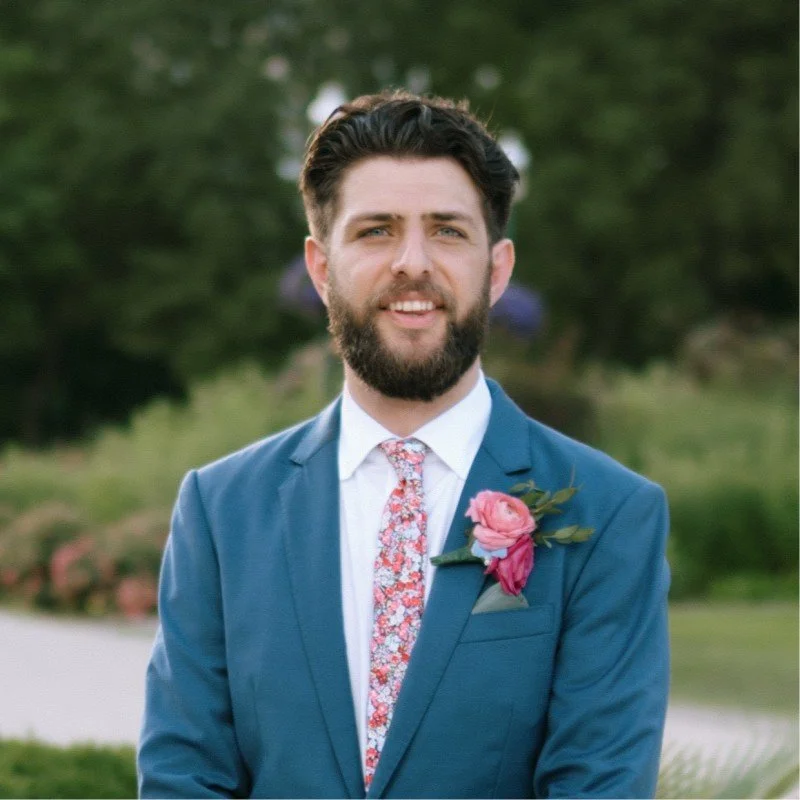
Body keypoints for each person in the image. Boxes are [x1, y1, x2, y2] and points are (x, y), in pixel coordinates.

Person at [138, 90, 670, 799]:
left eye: (447, 231)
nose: (412, 263)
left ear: (497, 269)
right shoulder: (221, 510)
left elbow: (599, 786)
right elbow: (184, 778)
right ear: (321, 268)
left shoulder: (609, 514)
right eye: (376, 231)